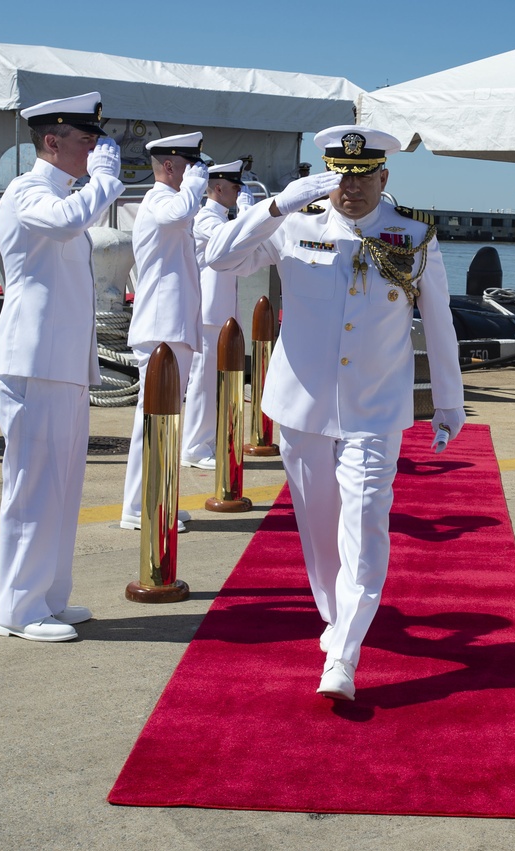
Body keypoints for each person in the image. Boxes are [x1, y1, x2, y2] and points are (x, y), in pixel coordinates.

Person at [204, 125, 465, 702]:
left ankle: (344, 656)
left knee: (367, 523)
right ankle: (335, 618)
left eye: (363, 176)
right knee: (320, 534)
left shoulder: (415, 237)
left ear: (384, 178)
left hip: (376, 409)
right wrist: (276, 203)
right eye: (341, 177)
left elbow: (440, 323)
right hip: (302, 409)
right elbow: (218, 257)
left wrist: (449, 402)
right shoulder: (293, 225)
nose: (352, 189)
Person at [0, 92, 124, 642]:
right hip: (33, 360)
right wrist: (106, 179)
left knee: (63, 487)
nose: (94, 148)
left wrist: (95, 181)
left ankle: (48, 597)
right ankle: (16, 610)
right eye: (84, 139)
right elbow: (70, 222)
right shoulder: (29, 191)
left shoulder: (66, 193)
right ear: (52, 141)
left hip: (61, 363)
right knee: (33, 486)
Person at [120, 132, 209, 530]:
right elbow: (179, 212)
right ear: (171, 167)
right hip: (161, 328)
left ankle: (159, 500)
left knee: (166, 418)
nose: (200, 175)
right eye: (194, 166)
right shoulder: (161, 202)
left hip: (173, 325)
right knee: (153, 418)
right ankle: (139, 508)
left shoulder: (173, 204)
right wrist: (194, 184)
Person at [179, 161, 256, 470]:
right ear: (219, 188)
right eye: (235, 187)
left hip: (220, 312)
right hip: (208, 314)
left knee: (213, 383)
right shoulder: (206, 219)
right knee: (203, 383)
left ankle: (205, 440)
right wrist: (250, 215)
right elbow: (233, 239)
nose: (239, 192)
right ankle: (195, 446)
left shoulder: (221, 218)